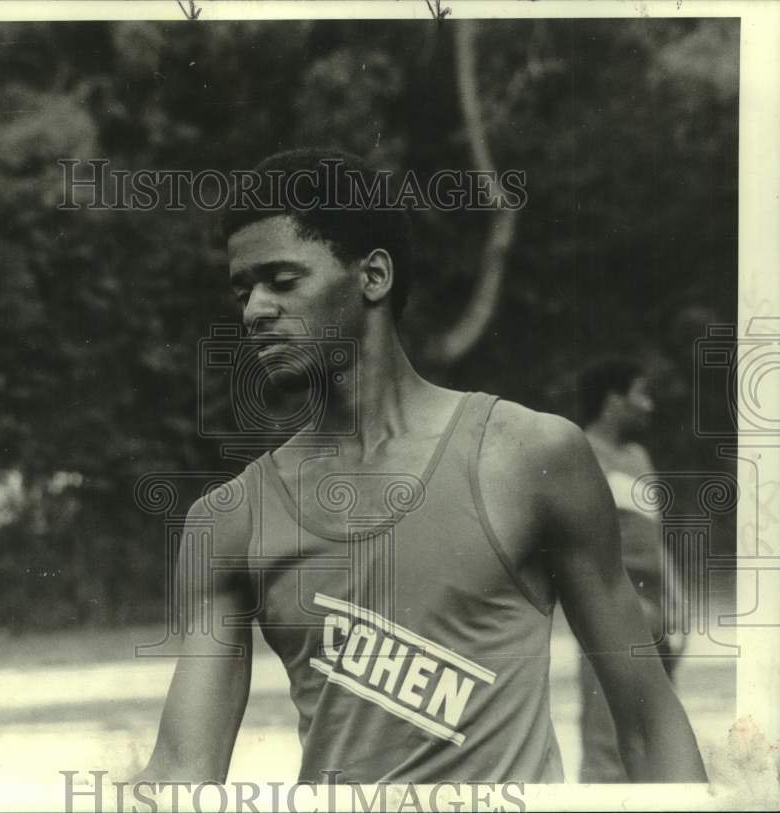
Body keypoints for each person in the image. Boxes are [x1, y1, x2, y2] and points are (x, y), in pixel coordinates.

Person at [136, 149, 705, 784]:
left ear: (373, 277)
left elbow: (649, 722)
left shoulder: (528, 457)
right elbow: (181, 775)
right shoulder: (229, 520)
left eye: (282, 281)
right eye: (243, 291)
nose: (254, 311)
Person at [575, 357, 684, 782]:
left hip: (655, 611)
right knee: (607, 738)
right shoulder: (579, 452)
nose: (649, 405)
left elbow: (655, 534)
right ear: (613, 401)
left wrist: (677, 598)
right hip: (613, 611)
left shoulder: (638, 456)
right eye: (641, 393)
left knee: (659, 732)